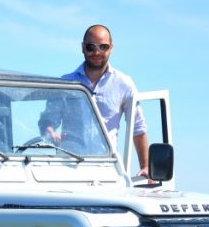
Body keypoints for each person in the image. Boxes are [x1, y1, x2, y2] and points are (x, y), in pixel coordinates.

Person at [42, 24, 149, 176]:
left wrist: (145, 167)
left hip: (107, 169)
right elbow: (47, 120)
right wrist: (50, 132)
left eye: (103, 47)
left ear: (111, 48)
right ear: (82, 48)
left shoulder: (124, 83)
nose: (97, 52)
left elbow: (138, 128)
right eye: (91, 47)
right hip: (68, 168)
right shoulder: (65, 84)